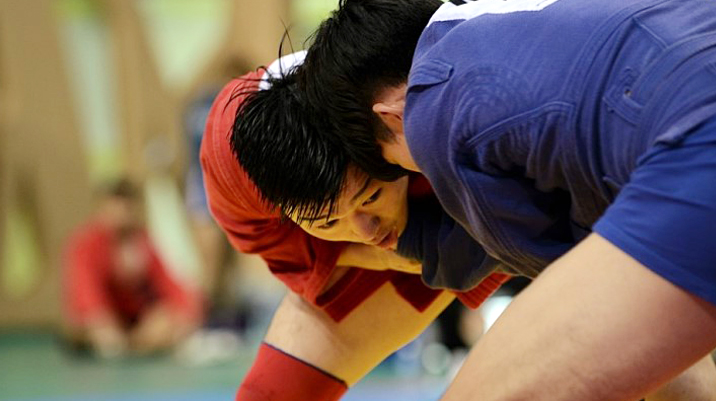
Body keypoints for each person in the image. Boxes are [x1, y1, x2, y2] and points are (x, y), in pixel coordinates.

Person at [267, 0, 716, 399]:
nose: (415, 178)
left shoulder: (431, 106)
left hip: (712, 151)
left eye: (388, 165)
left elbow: (542, 262)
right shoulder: (496, 3)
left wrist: (398, 245)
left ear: (390, 119)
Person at [200, 52, 509, 400]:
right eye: (327, 220)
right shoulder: (232, 163)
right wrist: (370, 255)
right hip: (382, 235)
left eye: (370, 196)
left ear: (387, 132)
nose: (366, 230)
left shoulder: (424, 104)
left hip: (495, 176)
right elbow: (260, 239)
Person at [63, 178, 203, 358]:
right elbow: (85, 291)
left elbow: (171, 284)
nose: (120, 215)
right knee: (85, 331)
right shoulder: (85, 244)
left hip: (137, 324)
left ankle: (136, 343)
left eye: (126, 209)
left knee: (166, 323)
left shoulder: (143, 241)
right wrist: (102, 323)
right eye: (114, 208)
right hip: (99, 323)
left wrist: (185, 313)